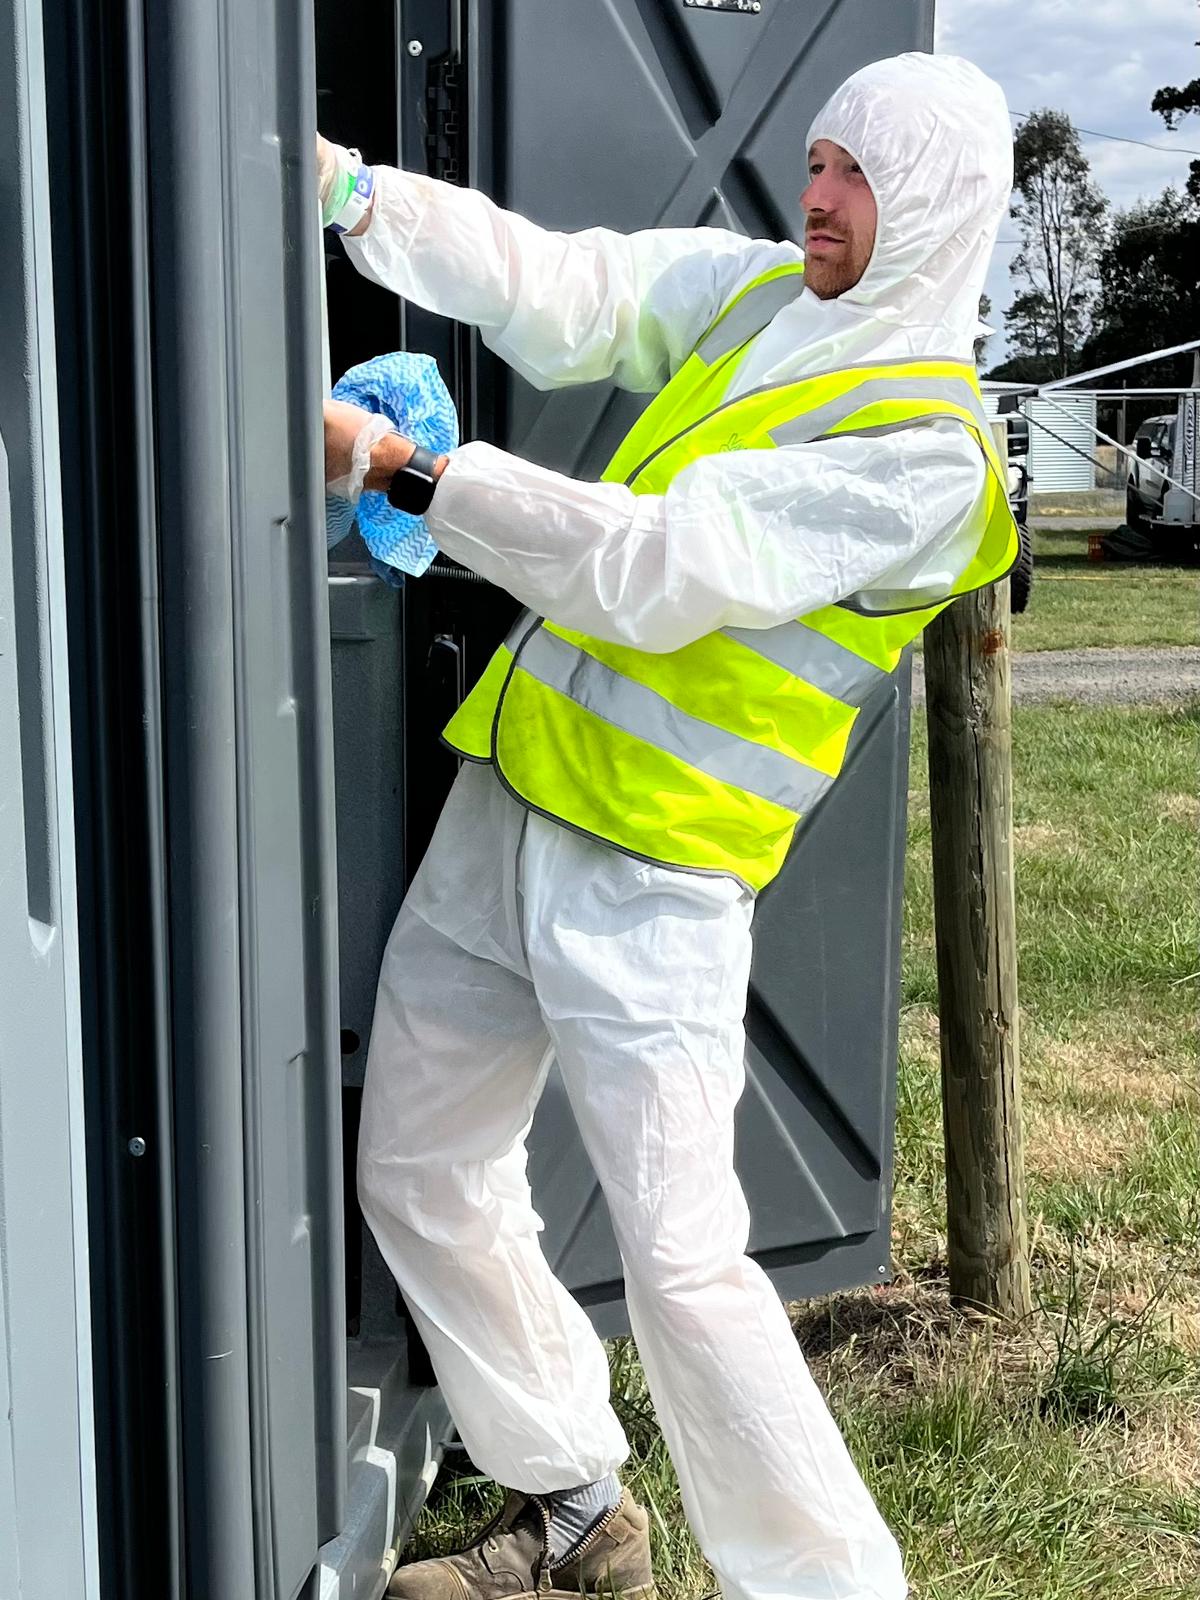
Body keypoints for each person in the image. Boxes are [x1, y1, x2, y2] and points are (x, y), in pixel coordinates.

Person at [319, 51, 1015, 1600]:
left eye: (855, 175)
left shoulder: (931, 455)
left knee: (688, 1269)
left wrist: (409, 472)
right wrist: (352, 194)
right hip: (513, 807)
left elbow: (659, 568)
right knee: (422, 1171)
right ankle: (578, 1513)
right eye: (818, 158)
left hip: (654, 880)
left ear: (941, 204)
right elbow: (564, 286)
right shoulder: (770, 297)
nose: (817, 195)